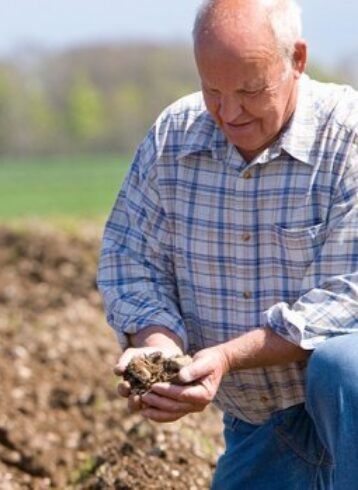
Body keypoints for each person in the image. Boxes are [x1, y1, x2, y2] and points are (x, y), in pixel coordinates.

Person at [97, 0, 358, 487]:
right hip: (264, 423)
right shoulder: (175, 138)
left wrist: (227, 356)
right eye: (212, 90)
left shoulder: (347, 139)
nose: (229, 111)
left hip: (350, 415)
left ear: (296, 60)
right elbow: (130, 257)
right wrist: (159, 348)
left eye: (250, 90)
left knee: (345, 365)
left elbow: (347, 300)